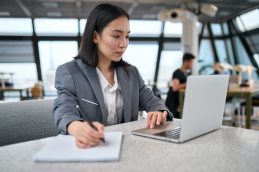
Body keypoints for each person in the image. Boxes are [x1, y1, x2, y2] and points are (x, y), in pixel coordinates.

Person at [53, 3, 171, 148]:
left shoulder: (131, 73)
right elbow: (63, 108)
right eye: (116, 36)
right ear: (95, 36)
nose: (124, 44)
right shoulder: (69, 72)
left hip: (128, 148)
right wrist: (76, 127)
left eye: (127, 36)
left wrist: (158, 111)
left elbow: (152, 101)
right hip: (90, 149)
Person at [165, 53, 195, 119]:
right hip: (173, 102)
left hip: (180, 101)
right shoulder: (177, 72)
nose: (192, 64)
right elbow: (175, 88)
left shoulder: (187, 73)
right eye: (191, 62)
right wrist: (188, 84)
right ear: (186, 61)